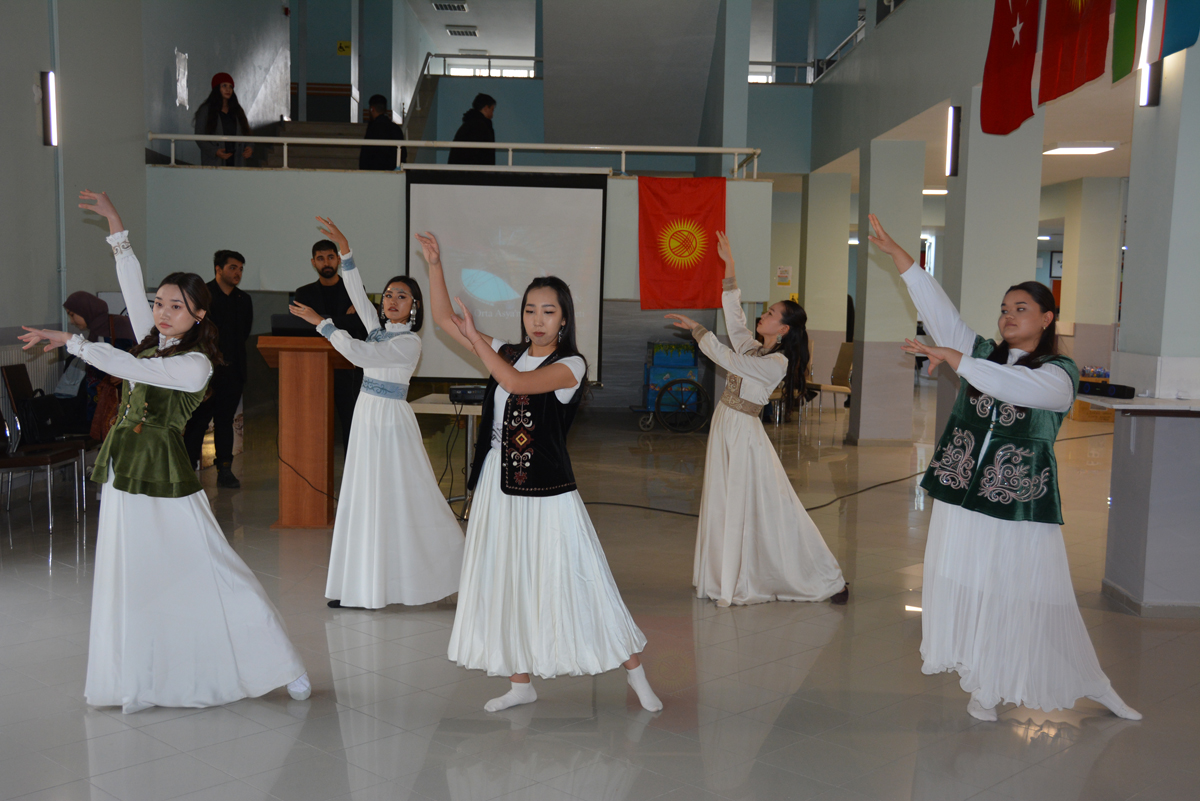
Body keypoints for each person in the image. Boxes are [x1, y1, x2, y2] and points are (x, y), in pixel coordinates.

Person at [20, 190, 309, 713]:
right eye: (160, 304)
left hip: (167, 475)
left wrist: (74, 342)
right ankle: (144, 673)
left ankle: (279, 662)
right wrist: (117, 228)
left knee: (214, 568)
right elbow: (134, 296)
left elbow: (135, 370)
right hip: (125, 472)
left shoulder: (193, 364)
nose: (163, 312)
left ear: (199, 314)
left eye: (177, 306)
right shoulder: (154, 339)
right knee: (135, 578)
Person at [867, 213, 1140, 723]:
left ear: (1047, 318)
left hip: (1016, 502)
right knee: (967, 582)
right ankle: (986, 680)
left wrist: (957, 359)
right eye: (1004, 309)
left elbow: (1011, 387)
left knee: (1023, 593)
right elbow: (939, 309)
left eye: (1021, 308)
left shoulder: (1059, 375)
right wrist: (900, 256)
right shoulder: (985, 353)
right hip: (962, 493)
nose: (1008, 316)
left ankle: (1089, 681)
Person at [416, 231, 662, 714]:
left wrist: (479, 340)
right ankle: (520, 682)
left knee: (581, 580)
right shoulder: (508, 351)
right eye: (530, 309)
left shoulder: (572, 364)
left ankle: (636, 675)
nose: (537, 319)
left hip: (549, 494)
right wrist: (435, 265)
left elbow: (516, 382)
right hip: (497, 488)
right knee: (507, 581)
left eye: (548, 311)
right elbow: (445, 320)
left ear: (564, 318)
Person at [664, 232, 849, 608]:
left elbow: (731, 360)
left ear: (783, 328)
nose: (762, 315)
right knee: (726, 502)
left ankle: (822, 577)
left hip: (744, 434)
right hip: (726, 426)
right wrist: (729, 266)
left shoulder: (775, 363)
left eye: (770, 314)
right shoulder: (756, 347)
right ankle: (724, 576)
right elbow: (735, 323)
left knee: (772, 506)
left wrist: (698, 330)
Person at [288, 218, 463, 609]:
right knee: (363, 498)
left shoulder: (408, 344)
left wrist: (323, 324)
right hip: (368, 414)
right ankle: (360, 586)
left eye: (401, 297)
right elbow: (356, 293)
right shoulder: (379, 329)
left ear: (414, 308)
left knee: (403, 498)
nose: (391, 301)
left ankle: (449, 569)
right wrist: (346, 251)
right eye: (387, 295)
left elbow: (361, 354)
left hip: (390, 421)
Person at [183, 250, 254, 488]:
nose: (238, 273)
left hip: (233, 373)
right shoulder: (202, 296)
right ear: (218, 269)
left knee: (225, 421)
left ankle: (225, 469)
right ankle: (186, 469)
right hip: (205, 373)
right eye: (233, 267)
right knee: (198, 422)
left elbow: (243, 333)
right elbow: (192, 333)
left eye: (241, 269)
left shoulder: (244, 300)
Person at [294, 240, 367, 451]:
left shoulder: (354, 288)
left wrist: (320, 320)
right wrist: (340, 319)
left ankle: (352, 475)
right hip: (313, 367)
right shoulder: (303, 294)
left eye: (330, 257)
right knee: (312, 422)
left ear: (338, 260)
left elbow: (359, 324)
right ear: (313, 262)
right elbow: (301, 327)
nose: (326, 262)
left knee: (350, 421)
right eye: (320, 258)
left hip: (348, 366)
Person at [60, 292, 136, 432]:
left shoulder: (108, 329)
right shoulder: (102, 328)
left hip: (127, 400)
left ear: (85, 311)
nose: (72, 321)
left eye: (72, 315)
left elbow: (137, 357)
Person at [193, 73, 253, 167]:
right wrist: (214, 151)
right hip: (215, 161)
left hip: (237, 160)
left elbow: (247, 133)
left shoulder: (237, 111)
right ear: (217, 88)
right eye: (224, 86)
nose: (228, 89)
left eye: (230, 87)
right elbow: (199, 136)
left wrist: (249, 147)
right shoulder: (205, 110)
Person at [359, 94, 406, 170]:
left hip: (375, 174)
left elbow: (366, 154)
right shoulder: (395, 128)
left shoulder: (372, 128)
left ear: (372, 109)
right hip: (393, 173)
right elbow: (403, 154)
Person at [447, 93, 496, 166]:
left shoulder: (468, 124)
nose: (492, 115)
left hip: (462, 172)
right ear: (486, 108)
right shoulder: (481, 126)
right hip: (474, 173)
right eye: (492, 110)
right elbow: (483, 154)